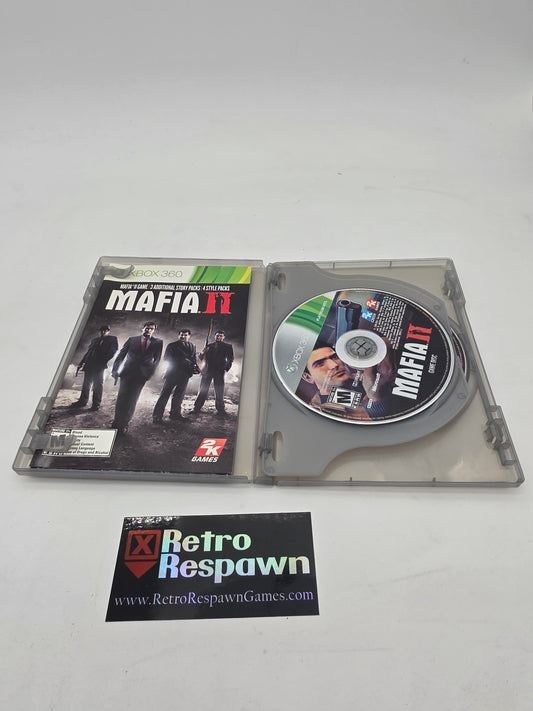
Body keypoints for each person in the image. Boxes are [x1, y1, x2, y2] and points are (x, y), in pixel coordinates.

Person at [301, 340, 394, 420]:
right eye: (320, 364)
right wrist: (377, 398)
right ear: (308, 377)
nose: (334, 365)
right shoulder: (324, 410)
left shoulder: (358, 378)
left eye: (334, 357)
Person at [110, 321, 163, 434]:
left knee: (132, 399)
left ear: (153, 330)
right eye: (147, 328)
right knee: (122, 397)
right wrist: (115, 369)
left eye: (151, 329)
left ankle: (124, 423)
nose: (149, 330)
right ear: (143, 328)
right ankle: (116, 421)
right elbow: (121, 355)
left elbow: (157, 359)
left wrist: (151, 372)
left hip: (142, 374)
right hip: (127, 372)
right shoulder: (132, 339)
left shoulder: (158, 342)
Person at [152, 329, 198, 423]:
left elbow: (193, 359)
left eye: (185, 335)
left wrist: (194, 366)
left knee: (179, 395)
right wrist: (182, 361)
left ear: (189, 336)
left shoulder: (193, 346)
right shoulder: (172, 345)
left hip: (185, 374)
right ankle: (157, 416)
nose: (183, 336)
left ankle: (175, 414)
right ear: (178, 335)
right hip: (173, 373)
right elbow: (167, 358)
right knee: (165, 394)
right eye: (181, 335)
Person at [71, 325, 118, 411]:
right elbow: (88, 352)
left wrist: (103, 361)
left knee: (98, 385)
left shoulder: (112, 339)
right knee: (86, 384)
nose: (103, 332)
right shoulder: (95, 340)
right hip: (89, 364)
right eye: (101, 330)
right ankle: (82, 401)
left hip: (99, 365)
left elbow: (112, 352)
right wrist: (81, 363)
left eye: (105, 330)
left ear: (108, 331)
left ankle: (96, 404)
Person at [192, 330, 234, 415]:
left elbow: (230, 359)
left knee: (219, 390)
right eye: (217, 335)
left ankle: (221, 410)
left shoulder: (228, 346)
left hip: (219, 371)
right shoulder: (209, 346)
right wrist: (202, 352)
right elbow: (201, 357)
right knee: (203, 390)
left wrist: (225, 368)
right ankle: (196, 408)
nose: (219, 337)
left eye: (221, 336)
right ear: (215, 336)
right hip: (207, 370)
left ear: (223, 337)